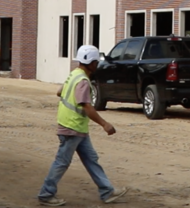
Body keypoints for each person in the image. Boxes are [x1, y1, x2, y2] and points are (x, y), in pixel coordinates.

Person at [37, 44, 128, 206]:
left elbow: (59, 91)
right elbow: (86, 106)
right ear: (91, 62)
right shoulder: (83, 81)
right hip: (72, 128)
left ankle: (107, 191)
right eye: (96, 62)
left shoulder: (74, 75)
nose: (97, 65)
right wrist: (104, 124)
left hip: (76, 128)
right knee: (62, 162)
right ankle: (46, 193)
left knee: (91, 159)